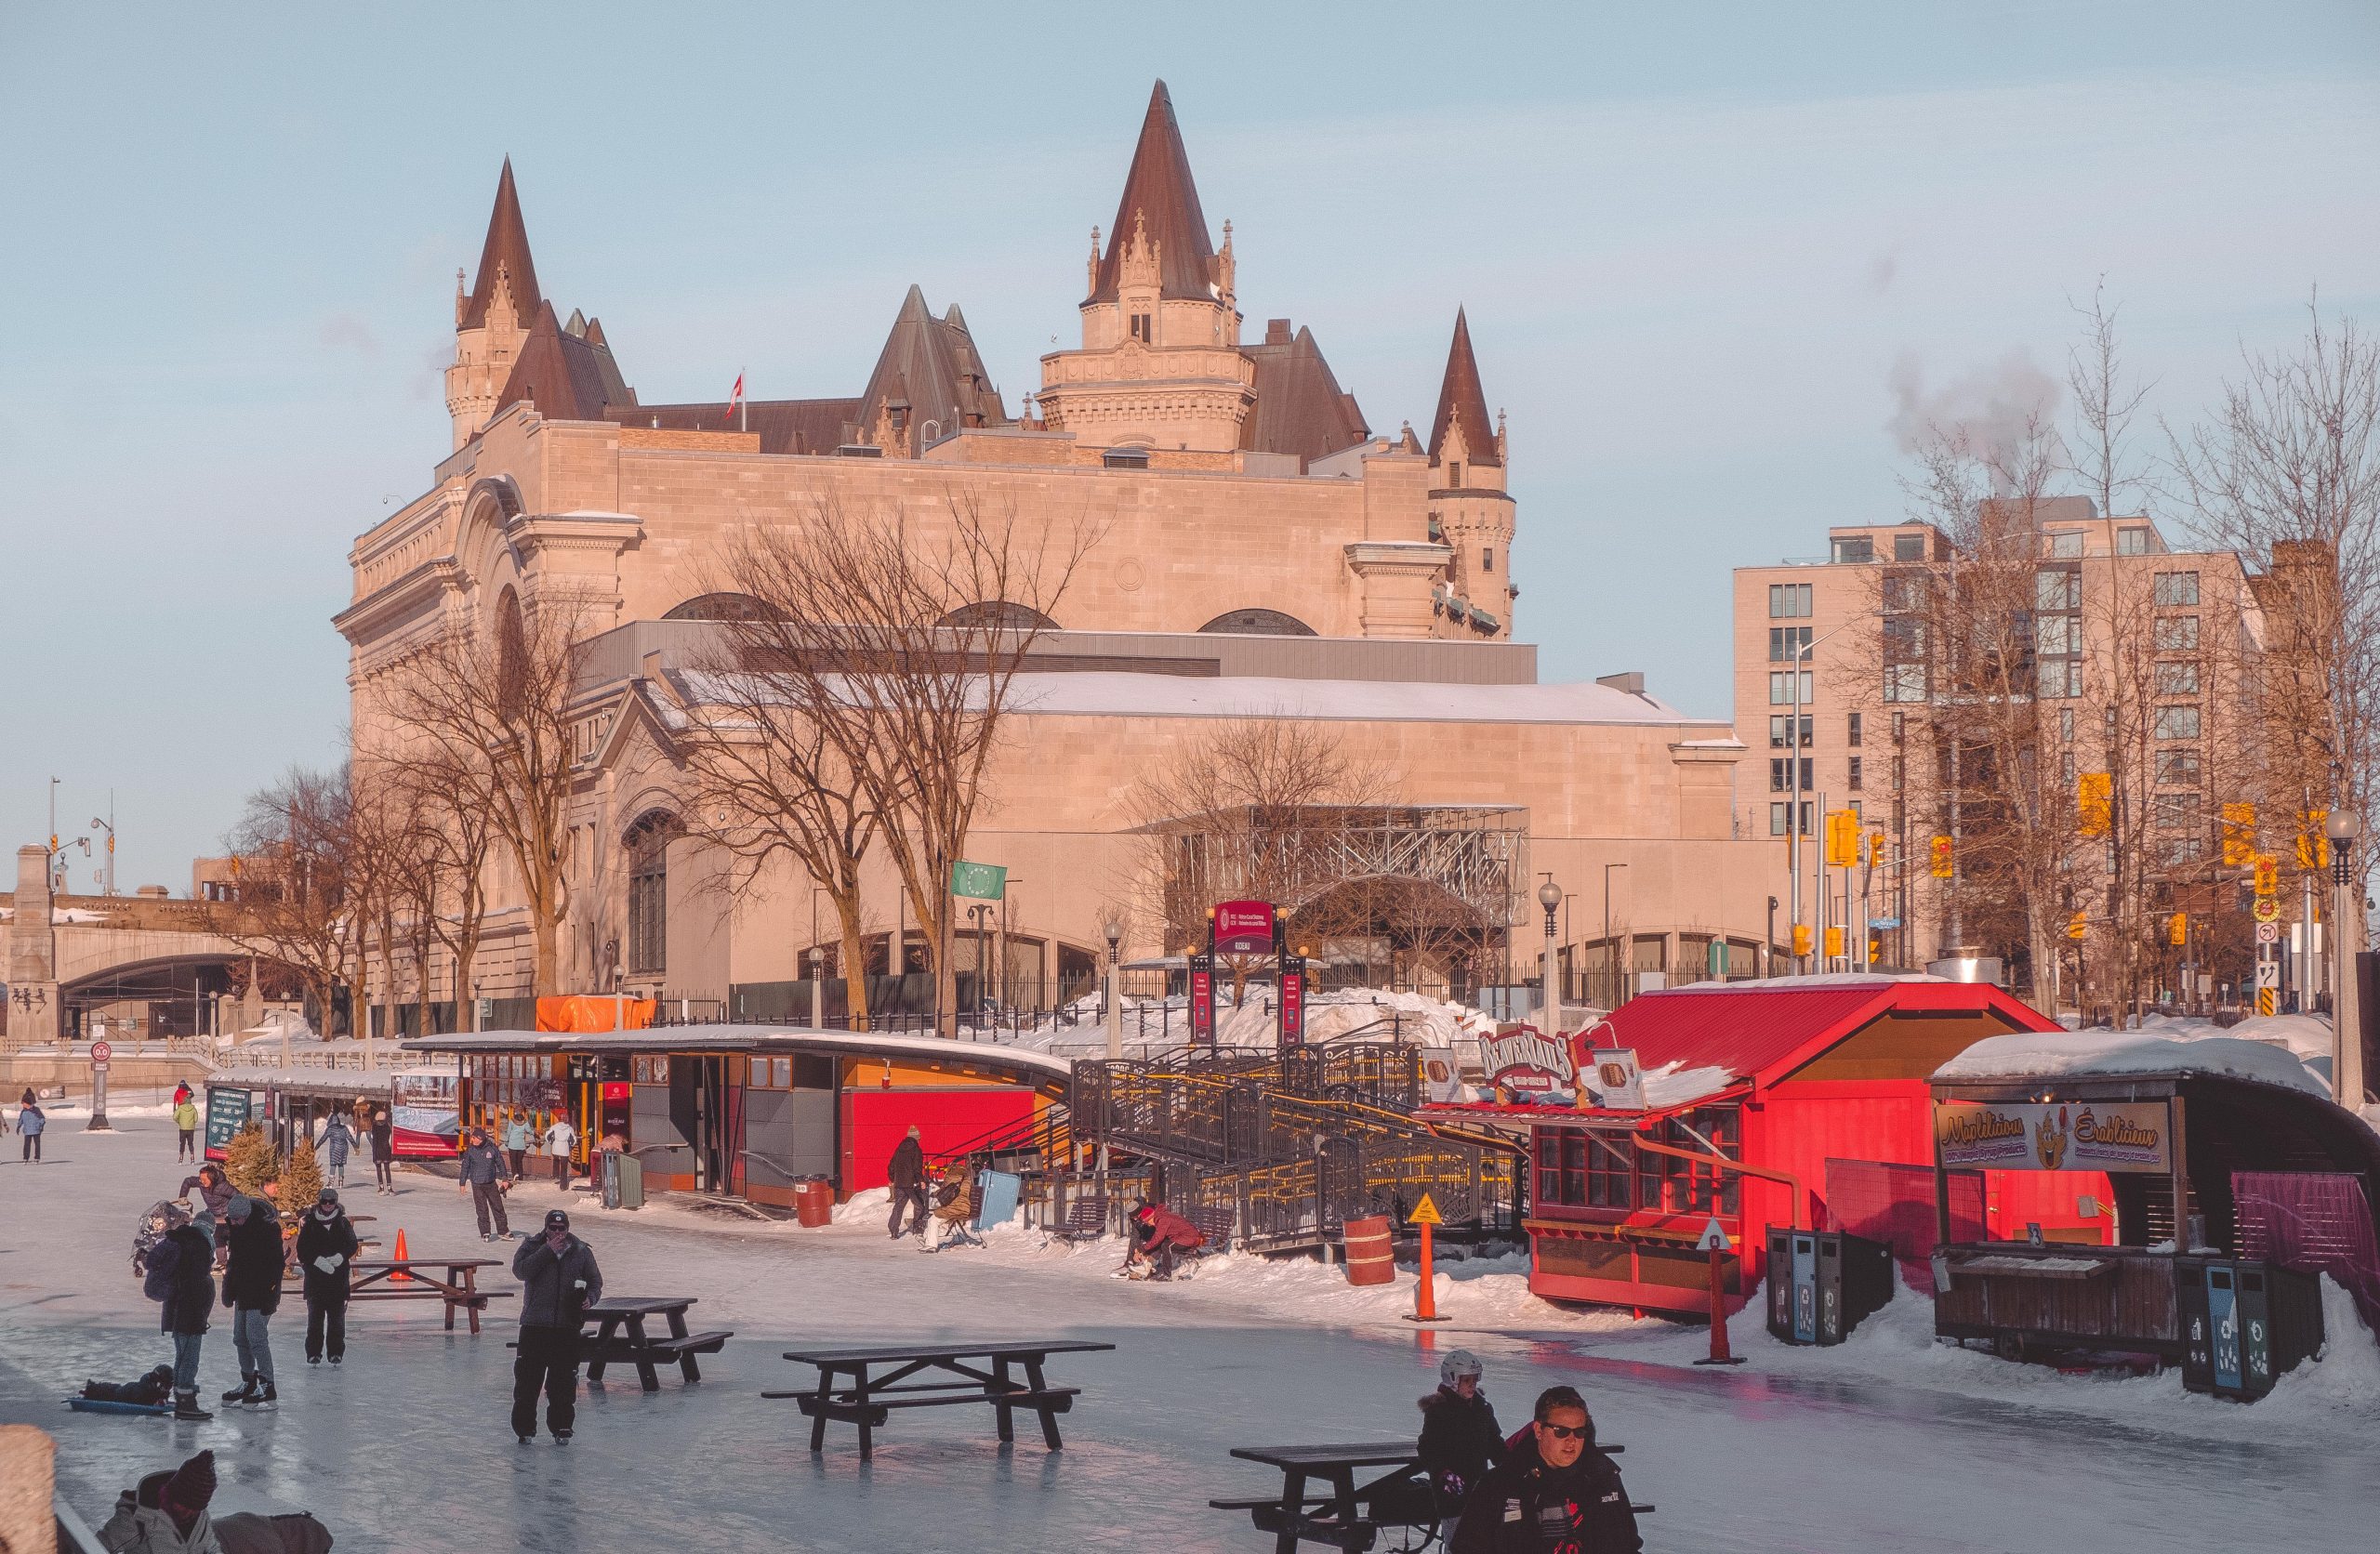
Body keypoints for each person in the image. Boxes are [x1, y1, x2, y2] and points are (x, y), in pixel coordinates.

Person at [1449, 1386, 1640, 1554]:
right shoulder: (1500, 1485)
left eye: (1579, 1432)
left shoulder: (1605, 1481)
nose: (1571, 1441)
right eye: (1561, 1431)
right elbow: (1466, 1548)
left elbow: (1630, 1546)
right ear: (1539, 1430)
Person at [511, 1208, 602, 1444]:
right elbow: (521, 1271)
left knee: (563, 1382)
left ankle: (562, 1427)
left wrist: (589, 1299)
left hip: (567, 1327)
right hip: (535, 1325)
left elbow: (595, 1282)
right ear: (546, 1228)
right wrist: (546, 1251)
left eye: (562, 1229)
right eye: (553, 1229)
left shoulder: (581, 1250)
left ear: (568, 1228)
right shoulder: (532, 1246)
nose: (558, 1233)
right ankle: (524, 1428)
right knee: (528, 1382)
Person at [1418, 1350, 1506, 1536]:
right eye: (1467, 1380)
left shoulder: (1482, 1408)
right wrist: (1443, 1473)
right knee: (1457, 1541)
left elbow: (1494, 1443)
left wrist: (1510, 1466)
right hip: (1452, 1493)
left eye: (1475, 1380)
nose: (1472, 1385)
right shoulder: (1439, 1411)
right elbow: (1428, 1448)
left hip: (1479, 1489)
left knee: (1482, 1540)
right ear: (1453, 1380)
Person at [145, 1204, 217, 1420]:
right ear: (210, 1229)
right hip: (189, 1310)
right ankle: (186, 1402)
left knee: (182, 1354)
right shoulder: (199, 1245)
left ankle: (181, 1397)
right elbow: (195, 1282)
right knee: (189, 1357)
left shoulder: (182, 1239)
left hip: (179, 1309)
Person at [218, 1196, 282, 1408]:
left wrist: (270, 1294)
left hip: (262, 1293)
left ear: (247, 1215)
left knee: (256, 1338)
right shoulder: (237, 1228)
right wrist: (229, 1288)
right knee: (239, 1337)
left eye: (237, 1220)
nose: (233, 1223)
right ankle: (248, 1382)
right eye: (232, 1219)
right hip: (243, 1292)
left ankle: (267, 1385)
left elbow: (276, 1265)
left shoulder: (267, 1229)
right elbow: (235, 1261)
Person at [99, 1448, 221, 1554]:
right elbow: (93, 1547)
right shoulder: (138, 1518)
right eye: (184, 1506)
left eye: (195, 1509)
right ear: (172, 1494)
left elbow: (212, 1548)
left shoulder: (200, 1514)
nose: (189, 1513)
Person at [295, 1189, 360, 1366]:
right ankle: (314, 1353)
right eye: (325, 1202)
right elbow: (302, 1250)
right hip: (315, 1281)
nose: (328, 1205)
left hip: (337, 1281)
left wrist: (341, 1256)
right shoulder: (311, 1223)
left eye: (331, 1202)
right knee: (315, 1322)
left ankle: (336, 1353)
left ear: (336, 1203)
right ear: (320, 1202)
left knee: (337, 1322)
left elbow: (352, 1244)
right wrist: (316, 1261)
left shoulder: (343, 1223)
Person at [456, 1126, 513, 1241]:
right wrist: (462, 1183)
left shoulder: (492, 1148)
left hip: (490, 1183)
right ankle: (485, 1232)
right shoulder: (470, 1151)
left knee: (498, 1207)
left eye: (479, 1139)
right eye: (475, 1138)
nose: (476, 1141)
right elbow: (465, 1167)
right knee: (482, 1209)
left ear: (483, 1140)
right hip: (477, 1184)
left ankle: (503, 1231)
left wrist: (504, 1179)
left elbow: (500, 1163)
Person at [1127, 1199, 1206, 1280]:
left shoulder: (1162, 1220)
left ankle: (1167, 1275)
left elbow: (1158, 1238)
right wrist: (1143, 1250)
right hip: (1182, 1237)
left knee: (1167, 1246)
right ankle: (1148, 1265)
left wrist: (1142, 1249)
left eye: (1147, 1222)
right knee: (1163, 1243)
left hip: (1191, 1237)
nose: (1149, 1225)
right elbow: (1157, 1239)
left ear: (1151, 1218)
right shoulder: (1159, 1217)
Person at [921, 1159, 976, 1251]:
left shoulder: (951, 1176)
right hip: (965, 1209)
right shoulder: (966, 1178)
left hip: (954, 1209)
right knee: (936, 1214)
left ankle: (931, 1245)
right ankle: (926, 1237)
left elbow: (944, 1191)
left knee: (933, 1219)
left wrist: (934, 1194)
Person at [886, 1125, 928, 1239]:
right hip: (911, 1184)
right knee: (919, 1205)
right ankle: (918, 1228)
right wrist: (921, 1180)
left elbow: (891, 1166)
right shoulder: (916, 1150)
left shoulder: (899, 1149)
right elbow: (916, 1168)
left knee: (899, 1206)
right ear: (916, 1137)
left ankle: (893, 1231)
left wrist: (892, 1178)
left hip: (899, 1183)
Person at [544, 1112, 578, 1189]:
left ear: (559, 1119)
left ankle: (555, 1174)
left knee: (556, 1160)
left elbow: (547, 1136)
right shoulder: (569, 1128)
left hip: (556, 1147)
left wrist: (552, 1142)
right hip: (564, 1148)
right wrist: (570, 1146)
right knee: (564, 1168)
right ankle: (563, 1186)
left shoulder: (554, 1127)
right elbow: (573, 1140)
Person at [321, 1112, 353, 1188]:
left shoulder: (330, 1128)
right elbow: (350, 1138)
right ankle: (341, 1180)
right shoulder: (344, 1128)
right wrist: (355, 1146)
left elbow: (323, 1139)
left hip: (334, 1148)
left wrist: (316, 1147)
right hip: (344, 1147)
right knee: (341, 1164)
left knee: (333, 1164)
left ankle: (331, 1182)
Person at [368, 1107, 394, 1194]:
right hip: (386, 1149)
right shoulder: (388, 1126)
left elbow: (374, 1140)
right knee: (387, 1169)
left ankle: (381, 1187)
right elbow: (389, 1137)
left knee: (379, 1169)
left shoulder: (375, 1127)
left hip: (378, 1150)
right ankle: (390, 1188)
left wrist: (374, 1155)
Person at [502, 1110, 532, 1179]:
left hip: (512, 1145)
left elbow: (509, 1132)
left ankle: (515, 1175)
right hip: (521, 1145)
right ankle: (520, 1176)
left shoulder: (511, 1121)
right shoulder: (525, 1122)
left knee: (513, 1162)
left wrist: (507, 1141)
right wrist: (534, 1134)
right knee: (519, 1161)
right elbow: (529, 1131)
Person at [173, 1095, 200, 1162]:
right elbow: (196, 1119)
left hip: (182, 1129)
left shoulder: (180, 1108)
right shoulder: (193, 1109)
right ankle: (192, 1156)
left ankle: (181, 1156)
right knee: (190, 1143)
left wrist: (179, 1122)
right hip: (191, 1129)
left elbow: (174, 1117)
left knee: (182, 1143)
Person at [18, 1096, 45, 1162]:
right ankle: (26, 1157)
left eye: (23, 1103)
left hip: (36, 1130)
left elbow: (42, 1118)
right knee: (26, 1145)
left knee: (37, 1144)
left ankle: (37, 1157)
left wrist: (40, 1125)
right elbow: (21, 1120)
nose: (22, 1104)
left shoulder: (36, 1110)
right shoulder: (23, 1111)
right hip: (27, 1131)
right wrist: (18, 1127)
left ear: (27, 1103)